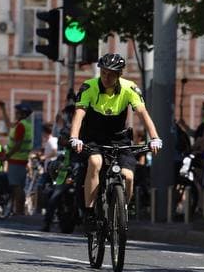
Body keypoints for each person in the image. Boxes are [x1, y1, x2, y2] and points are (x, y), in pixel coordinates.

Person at [68, 53, 163, 225]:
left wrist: (155, 137)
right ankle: (89, 212)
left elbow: (143, 114)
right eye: (103, 72)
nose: (106, 77)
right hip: (93, 137)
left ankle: (121, 213)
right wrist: (74, 138)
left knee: (127, 176)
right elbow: (79, 114)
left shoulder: (129, 88)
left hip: (119, 139)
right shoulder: (89, 87)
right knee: (95, 162)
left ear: (120, 74)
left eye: (111, 74)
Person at [1, 102, 36, 217]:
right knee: (18, 186)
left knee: (17, 186)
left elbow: (18, 144)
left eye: (17, 112)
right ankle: (18, 210)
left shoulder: (21, 126)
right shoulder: (24, 124)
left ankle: (19, 211)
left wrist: (7, 155)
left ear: (22, 114)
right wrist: (3, 109)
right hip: (21, 160)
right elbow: (8, 125)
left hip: (16, 159)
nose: (15, 113)